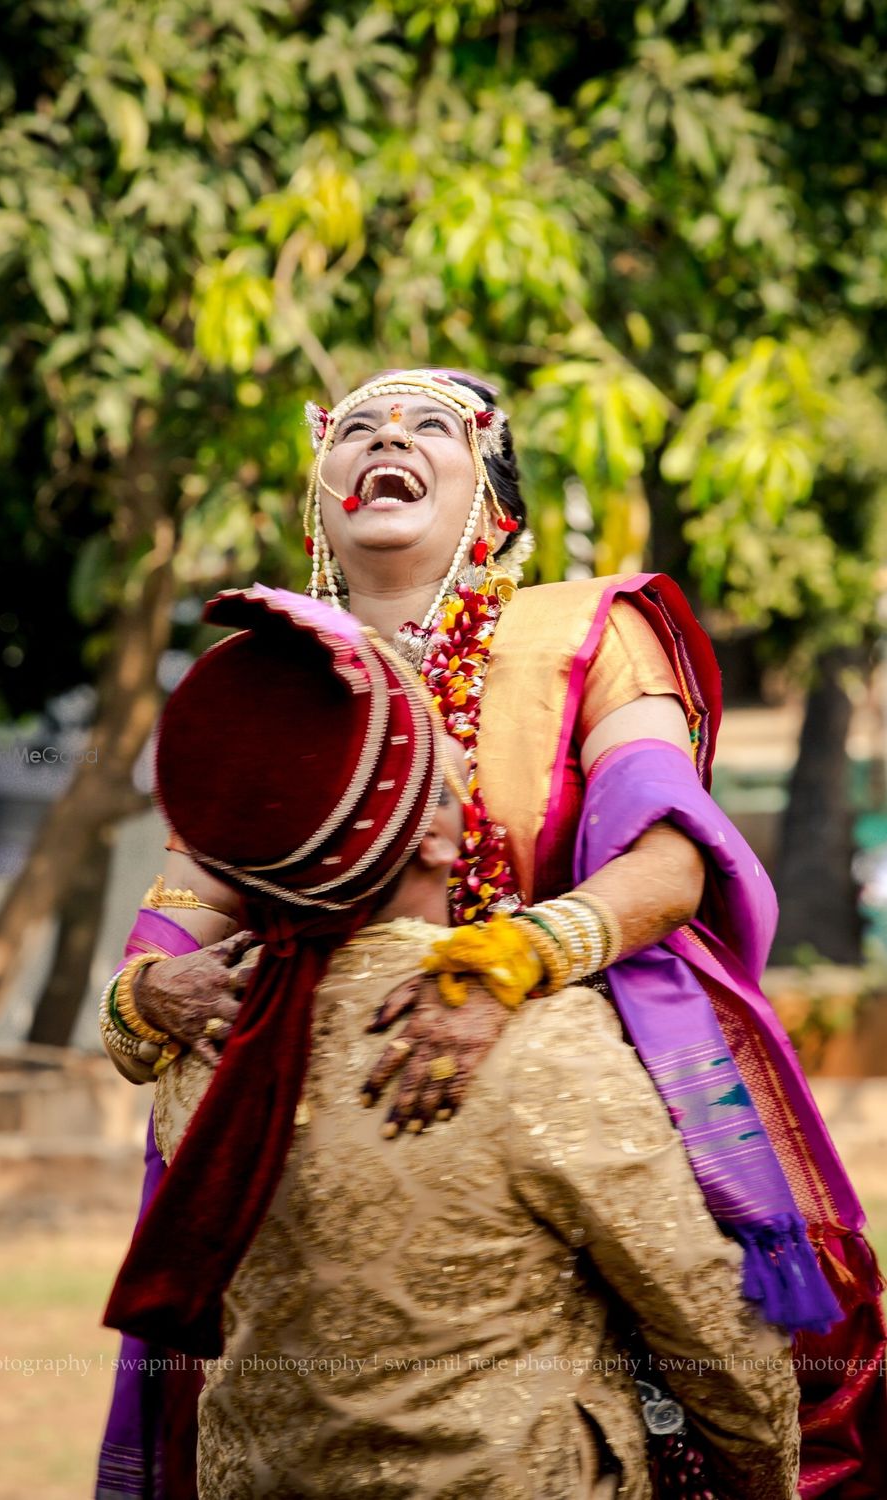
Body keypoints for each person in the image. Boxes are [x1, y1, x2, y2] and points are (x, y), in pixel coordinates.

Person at [97, 369, 885, 1499]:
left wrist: (512, 964)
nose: (387, 439)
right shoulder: (267, 672)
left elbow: (669, 860)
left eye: (427, 425)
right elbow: (159, 959)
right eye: (356, 428)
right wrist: (148, 1005)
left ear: (495, 500)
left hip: (559, 1079)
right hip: (308, 1107)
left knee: (703, 1360)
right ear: (320, 494)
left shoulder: (589, 632)